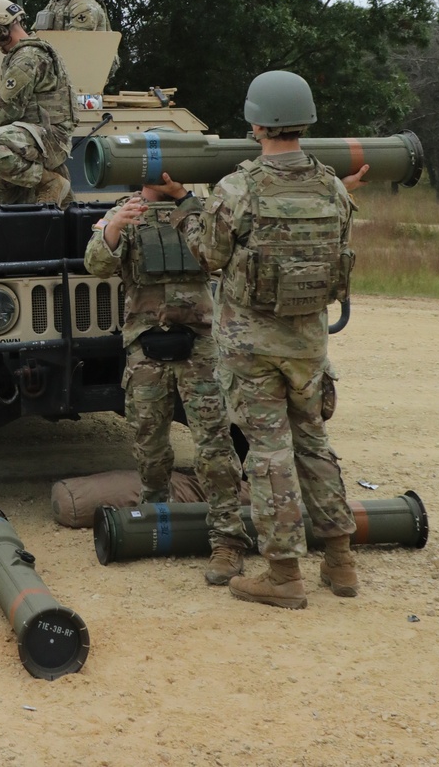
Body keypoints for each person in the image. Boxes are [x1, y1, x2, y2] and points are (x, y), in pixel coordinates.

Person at [154, 70, 366, 610]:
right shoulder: (332, 186)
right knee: (313, 442)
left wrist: (181, 202)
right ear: (306, 119)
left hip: (252, 345)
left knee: (269, 452)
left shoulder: (239, 187)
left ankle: (283, 574)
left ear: (255, 123)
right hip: (309, 342)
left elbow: (209, 254)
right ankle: (340, 563)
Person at [84, 186, 249, 586]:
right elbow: (95, 265)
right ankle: (154, 516)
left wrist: (186, 202)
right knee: (149, 439)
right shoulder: (125, 212)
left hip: (201, 343)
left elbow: (219, 255)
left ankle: (227, 537)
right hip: (146, 345)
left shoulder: (203, 208)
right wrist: (113, 228)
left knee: (213, 441)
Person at [0, 0, 76, 211]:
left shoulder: (26, 58)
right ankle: (23, 179)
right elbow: (25, 100)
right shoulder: (34, 50)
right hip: (33, 136)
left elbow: (3, 114)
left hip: (46, 138)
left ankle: (47, 181)